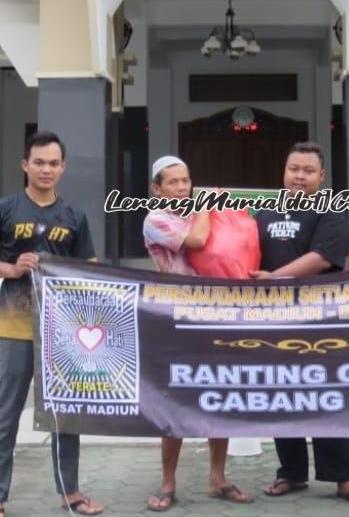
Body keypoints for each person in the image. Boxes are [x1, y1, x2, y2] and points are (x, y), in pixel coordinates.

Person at [0, 131, 103, 517]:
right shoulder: (3, 209)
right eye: (39, 162)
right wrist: (11, 267)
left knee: (66, 413)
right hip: (15, 325)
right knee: (7, 411)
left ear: (64, 168)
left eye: (54, 163)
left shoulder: (75, 216)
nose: (47, 169)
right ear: (25, 165)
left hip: (63, 331)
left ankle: (71, 493)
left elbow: (88, 270)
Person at [252, 142, 349, 508]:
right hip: (272, 316)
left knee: (327, 395)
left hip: (322, 315)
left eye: (308, 171)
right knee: (280, 395)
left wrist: (274, 278)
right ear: (284, 171)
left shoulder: (331, 209)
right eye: (294, 169)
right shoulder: (265, 210)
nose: (299, 177)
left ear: (321, 176)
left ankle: (344, 477)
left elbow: (322, 258)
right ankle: (290, 472)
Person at [141, 155, 254, 512]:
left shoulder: (194, 210)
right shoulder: (155, 219)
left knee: (219, 393)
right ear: (156, 189)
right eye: (172, 182)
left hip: (216, 314)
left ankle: (218, 478)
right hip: (176, 317)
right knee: (175, 399)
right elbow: (200, 240)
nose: (181, 188)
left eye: (186, 181)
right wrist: (208, 205)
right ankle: (167, 482)